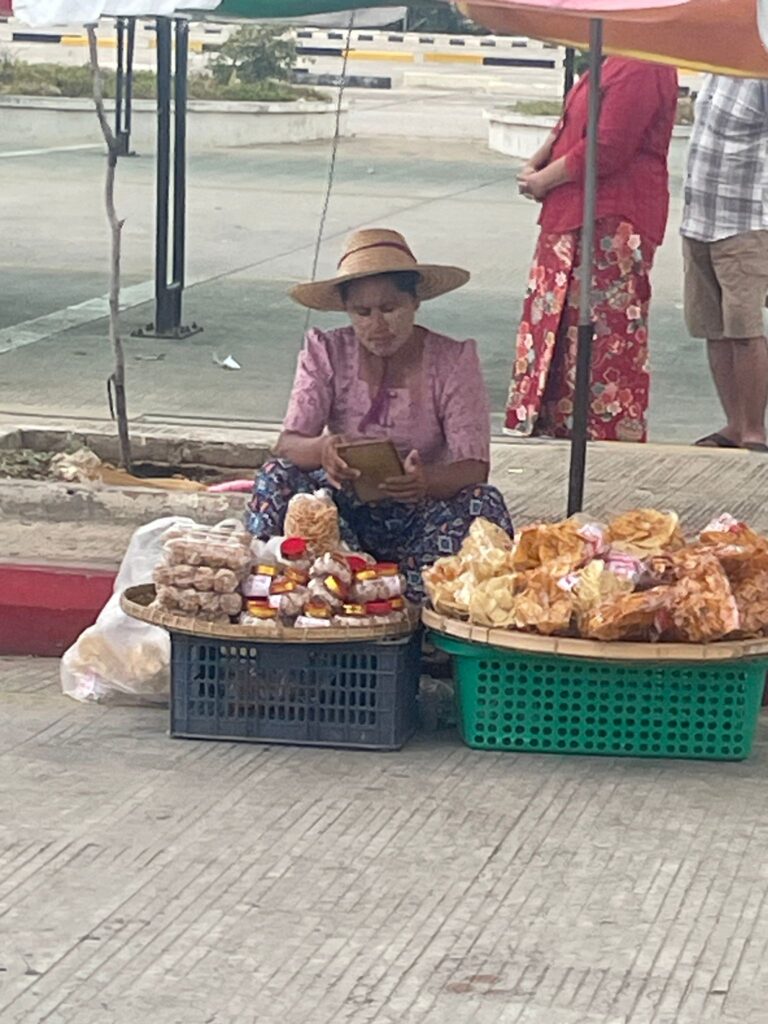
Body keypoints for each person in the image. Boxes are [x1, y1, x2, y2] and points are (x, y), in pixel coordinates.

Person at [247, 227, 513, 600]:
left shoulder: (452, 361)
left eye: (390, 309)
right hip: (338, 518)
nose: (378, 325)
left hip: (421, 518)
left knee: (485, 503)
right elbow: (288, 445)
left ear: (414, 301)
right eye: (363, 312)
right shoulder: (326, 351)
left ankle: (419, 612)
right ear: (347, 311)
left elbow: (473, 468)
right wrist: (324, 450)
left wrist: (424, 482)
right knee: (276, 476)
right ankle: (275, 595)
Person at [506, 56, 679, 442]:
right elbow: (570, 126)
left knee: (602, 336)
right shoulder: (610, 56)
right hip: (570, 213)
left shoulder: (643, 63)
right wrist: (535, 166)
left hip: (610, 217)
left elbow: (608, 147)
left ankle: (602, 434)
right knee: (559, 327)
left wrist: (543, 180)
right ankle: (555, 424)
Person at [681, 75, 768, 452]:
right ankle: (732, 424)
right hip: (699, 215)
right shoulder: (716, 66)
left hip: (745, 220)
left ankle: (754, 429)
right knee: (712, 327)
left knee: (744, 328)